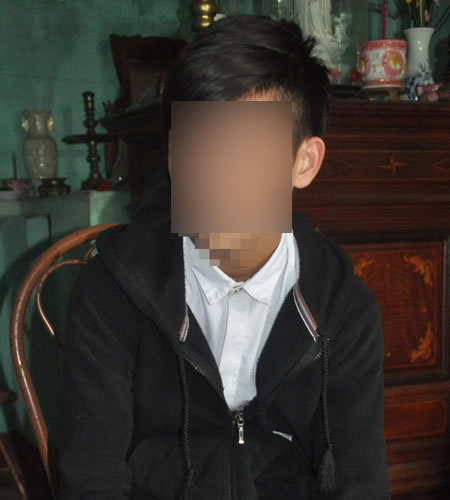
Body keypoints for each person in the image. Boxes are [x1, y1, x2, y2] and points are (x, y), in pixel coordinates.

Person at [59, 15, 390, 500]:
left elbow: (362, 485)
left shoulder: (343, 310)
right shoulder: (111, 290)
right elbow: (92, 482)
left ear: (304, 163)